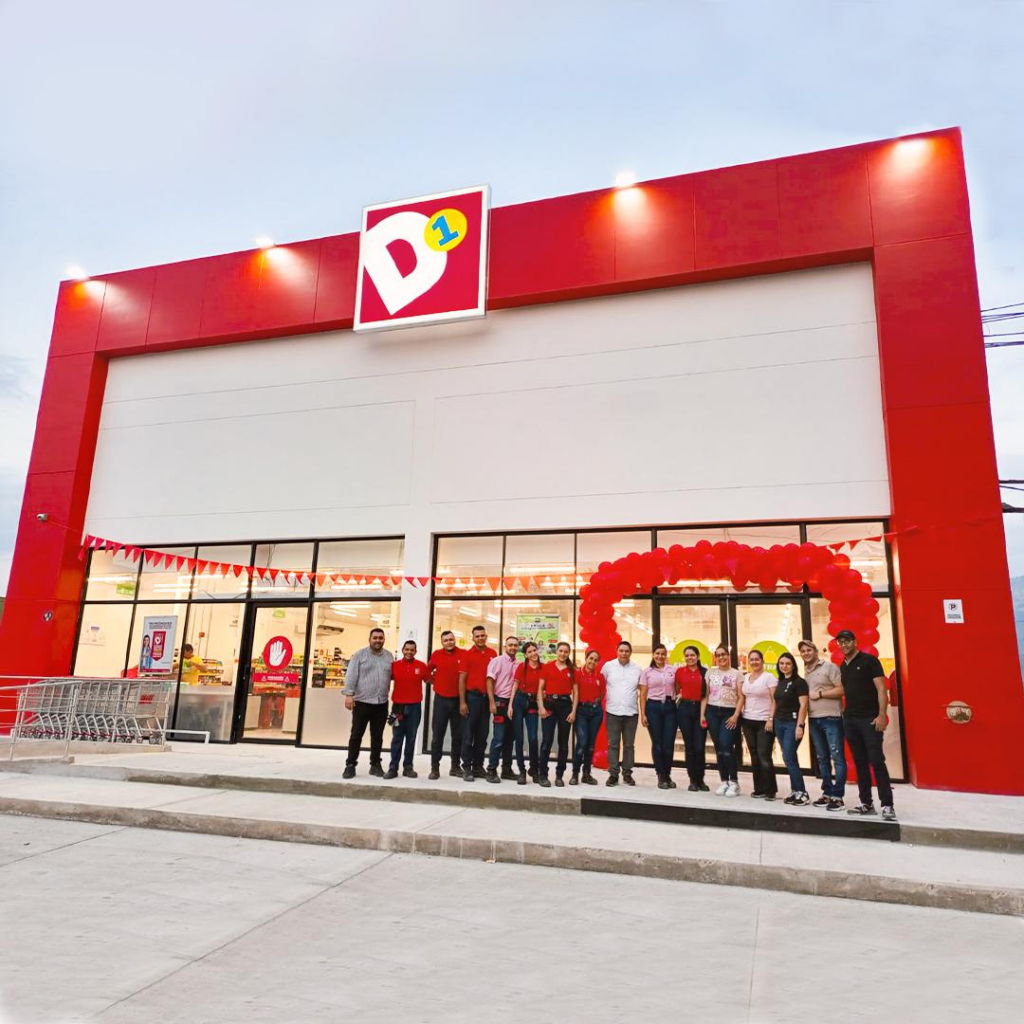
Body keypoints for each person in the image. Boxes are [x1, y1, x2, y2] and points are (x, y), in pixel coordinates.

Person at [836, 629, 896, 821]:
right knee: (860, 762)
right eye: (840, 642)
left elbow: (881, 689)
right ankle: (866, 803)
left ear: (855, 642)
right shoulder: (843, 666)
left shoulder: (870, 661)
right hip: (850, 720)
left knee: (876, 761)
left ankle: (887, 805)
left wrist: (881, 715)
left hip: (869, 720)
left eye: (847, 641)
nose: (844, 645)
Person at [799, 639, 846, 810]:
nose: (806, 653)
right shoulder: (806, 672)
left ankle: (838, 797)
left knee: (837, 757)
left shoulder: (829, 667)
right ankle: (827, 793)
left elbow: (842, 690)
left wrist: (819, 694)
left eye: (808, 650)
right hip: (814, 719)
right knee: (822, 758)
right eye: (803, 651)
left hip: (831, 718)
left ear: (815, 651)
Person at [342, 628, 394, 779]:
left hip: (381, 703)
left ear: (384, 639)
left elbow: (392, 676)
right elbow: (351, 675)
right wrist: (349, 694)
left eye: (380, 638)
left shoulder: (389, 656)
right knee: (356, 735)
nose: (378, 640)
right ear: (369, 639)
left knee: (377, 737)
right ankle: (350, 765)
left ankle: (375, 765)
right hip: (362, 702)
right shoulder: (359, 655)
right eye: (375, 638)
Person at [700, 644, 745, 797]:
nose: (721, 657)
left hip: (729, 713)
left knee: (726, 746)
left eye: (723, 654)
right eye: (718, 655)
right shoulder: (710, 672)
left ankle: (734, 782)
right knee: (719, 748)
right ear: (715, 658)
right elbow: (705, 695)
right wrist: (702, 715)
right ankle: (724, 781)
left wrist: (736, 715)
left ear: (728, 656)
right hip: (712, 712)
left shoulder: (737, 674)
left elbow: (741, 696)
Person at [459, 625, 497, 782]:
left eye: (482, 635)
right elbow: (462, 679)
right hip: (472, 698)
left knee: (482, 735)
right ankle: (467, 767)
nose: (480, 638)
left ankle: (478, 766)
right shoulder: (467, 655)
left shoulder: (492, 654)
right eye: (477, 636)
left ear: (486, 636)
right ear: (473, 638)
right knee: (468, 735)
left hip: (486, 699)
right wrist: (462, 702)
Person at [385, 639, 428, 780]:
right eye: (407, 649)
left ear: (415, 651)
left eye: (412, 650)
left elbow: (431, 680)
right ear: (403, 650)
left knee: (411, 738)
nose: (409, 652)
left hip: (415, 707)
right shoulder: (394, 666)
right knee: (397, 738)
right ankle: (393, 768)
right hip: (398, 707)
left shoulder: (421, 666)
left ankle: (408, 768)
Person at [601, 640, 642, 787]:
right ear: (617, 651)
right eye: (621, 651)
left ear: (630, 653)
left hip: (631, 713)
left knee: (629, 745)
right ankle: (613, 774)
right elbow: (600, 685)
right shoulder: (608, 667)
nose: (624, 653)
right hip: (613, 712)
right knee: (613, 744)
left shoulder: (637, 669)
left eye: (627, 651)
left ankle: (627, 774)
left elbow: (642, 689)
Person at [771, 652, 810, 805]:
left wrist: (800, 726)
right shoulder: (780, 681)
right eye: (781, 663)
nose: (784, 666)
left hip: (792, 724)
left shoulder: (799, 682)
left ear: (793, 665)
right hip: (779, 723)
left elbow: (804, 705)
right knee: (788, 757)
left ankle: (802, 792)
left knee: (788, 756)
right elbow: (776, 703)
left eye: (787, 663)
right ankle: (795, 791)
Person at [537, 641, 578, 786]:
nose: (563, 654)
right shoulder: (547, 667)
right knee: (546, 741)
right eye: (561, 651)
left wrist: (573, 711)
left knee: (563, 743)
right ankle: (543, 775)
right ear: (556, 652)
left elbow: (576, 693)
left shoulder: (572, 670)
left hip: (565, 705)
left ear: (569, 653)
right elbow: (540, 689)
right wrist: (541, 707)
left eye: (566, 652)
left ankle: (559, 775)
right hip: (549, 704)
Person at [740, 649, 778, 800]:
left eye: (757, 659)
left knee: (764, 755)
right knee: (754, 755)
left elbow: (775, 700)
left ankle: (770, 790)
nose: (754, 662)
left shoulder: (769, 678)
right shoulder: (746, 677)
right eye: (752, 659)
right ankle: (759, 788)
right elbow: (743, 698)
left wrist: (771, 718)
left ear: (762, 661)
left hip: (764, 721)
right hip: (748, 720)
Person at [427, 631, 464, 780]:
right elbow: (426, 672)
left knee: (458, 736)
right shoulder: (436, 654)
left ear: (455, 640)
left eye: (451, 639)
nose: (449, 642)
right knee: (437, 736)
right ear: (442, 642)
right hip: (441, 700)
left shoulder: (463, 654)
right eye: (446, 640)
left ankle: (455, 767)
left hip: (458, 701)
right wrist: (435, 682)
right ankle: (435, 768)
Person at [640, 644, 678, 790]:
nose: (660, 656)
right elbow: (643, 695)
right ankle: (661, 775)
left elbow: (678, 688)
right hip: (653, 708)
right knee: (657, 743)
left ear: (666, 655)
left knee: (668, 744)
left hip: (670, 708)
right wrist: (643, 714)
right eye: (657, 653)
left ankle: (667, 774)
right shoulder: (647, 672)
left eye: (662, 654)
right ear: (653, 655)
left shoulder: (673, 670)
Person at [484, 636, 521, 783]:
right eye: (510, 645)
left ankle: (506, 770)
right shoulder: (497, 661)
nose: (513, 647)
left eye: (515, 645)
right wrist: (492, 702)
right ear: (505, 646)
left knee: (510, 739)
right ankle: (491, 770)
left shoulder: (519, 664)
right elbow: (489, 681)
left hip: (513, 704)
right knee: (499, 738)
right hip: (500, 702)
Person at [507, 641, 544, 785]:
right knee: (519, 738)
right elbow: (515, 686)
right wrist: (510, 705)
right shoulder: (522, 667)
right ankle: (522, 771)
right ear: (526, 655)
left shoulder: (543, 668)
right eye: (529, 652)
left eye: (534, 650)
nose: (533, 653)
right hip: (519, 701)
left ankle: (534, 769)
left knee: (533, 738)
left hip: (533, 702)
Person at [674, 645, 709, 792]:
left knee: (699, 747)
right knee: (689, 746)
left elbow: (707, 694)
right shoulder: (680, 672)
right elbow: (677, 689)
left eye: (692, 655)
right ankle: (693, 780)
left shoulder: (705, 672)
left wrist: (703, 714)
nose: (690, 658)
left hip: (700, 709)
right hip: (685, 709)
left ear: (698, 657)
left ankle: (701, 779)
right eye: (687, 655)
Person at [571, 648, 604, 785]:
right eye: (591, 658)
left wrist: (594, 704)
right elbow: (574, 692)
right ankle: (575, 774)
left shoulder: (600, 677)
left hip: (596, 712)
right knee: (582, 743)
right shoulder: (577, 674)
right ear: (586, 658)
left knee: (591, 745)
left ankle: (586, 774)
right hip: (581, 712)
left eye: (596, 660)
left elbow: (602, 694)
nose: (592, 662)